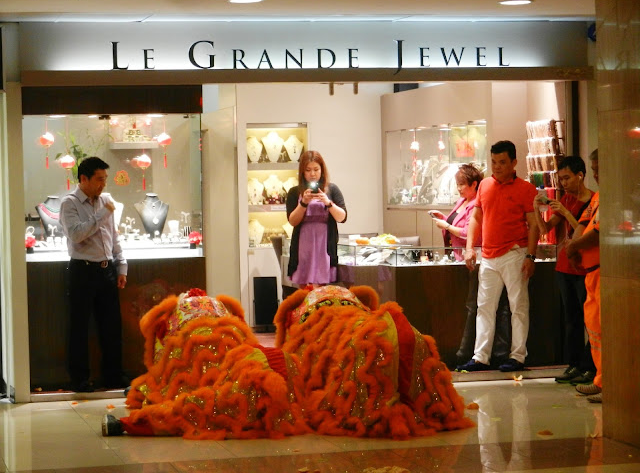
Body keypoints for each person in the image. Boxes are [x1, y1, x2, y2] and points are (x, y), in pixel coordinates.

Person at [102, 285, 474, 438]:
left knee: (239, 378)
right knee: (244, 376)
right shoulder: (226, 325)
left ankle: (378, 354)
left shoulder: (192, 321)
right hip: (317, 333)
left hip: (325, 329)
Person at [459, 140, 539, 373]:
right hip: (488, 255)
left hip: (515, 253)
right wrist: (469, 248)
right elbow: (476, 218)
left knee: (518, 306)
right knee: (484, 307)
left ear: (514, 162)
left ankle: (518, 356)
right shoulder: (485, 185)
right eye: (494, 162)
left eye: (502, 162)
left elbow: (533, 225)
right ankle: (480, 357)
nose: (497, 167)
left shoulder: (526, 189)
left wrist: (530, 256)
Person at [429, 164, 512, 368]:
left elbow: (469, 232)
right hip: (459, 258)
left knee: (477, 306)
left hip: (476, 259)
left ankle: (470, 352)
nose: (458, 188)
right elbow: (457, 226)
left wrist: (447, 226)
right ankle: (468, 352)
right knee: (470, 306)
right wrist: (444, 219)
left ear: (475, 185)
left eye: (462, 185)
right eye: (457, 185)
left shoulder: (477, 204)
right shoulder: (461, 201)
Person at [60, 156, 128, 392]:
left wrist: (121, 265)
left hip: (107, 269)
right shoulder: (69, 203)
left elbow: (113, 236)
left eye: (105, 179)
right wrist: (101, 215)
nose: (103, 184)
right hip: (82, 270)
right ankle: (79, 379)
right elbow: (76, 234)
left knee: (112, 326)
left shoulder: (106, 200)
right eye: (99, 179)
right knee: (79, 327)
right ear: (84, 179)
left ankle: (114, 376)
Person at [533, 156, 596, 385]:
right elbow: (545, 229)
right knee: (571, 319)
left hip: (585, 267)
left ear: (580, 175)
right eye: (561, 179)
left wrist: (566, 213)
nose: (564, 183)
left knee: (590, 321)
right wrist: (537, 209)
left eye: (567, 178)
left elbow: (587, 232)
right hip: (564, 267)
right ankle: (574, 365)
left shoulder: (593, 201)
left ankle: (590, 367)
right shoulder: (566, 199)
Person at [566, 149, 602, 403]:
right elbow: (583, 224)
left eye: (600, 170)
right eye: (595, 170)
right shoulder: (599, 197)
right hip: (589, 273)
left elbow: (598, 231)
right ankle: (601, 381)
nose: (596, 175)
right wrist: (573, 247)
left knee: (604, 330)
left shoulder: (614, 198)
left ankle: (608, 383)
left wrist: (574, 247)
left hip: (603, 271)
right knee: (595, 330)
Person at [286, 150, 347, 286]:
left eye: (316, 169)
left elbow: (342, 217)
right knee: (304, 287)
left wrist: (328, 203)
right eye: (308, 170)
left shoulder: (332, 189)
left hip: (324, 244)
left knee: (323, 286)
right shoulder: (294, 192)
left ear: (322, 170)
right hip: (303, 244)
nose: (312, 174)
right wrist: (303, 203)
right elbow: (292, 220)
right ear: (302, 172)